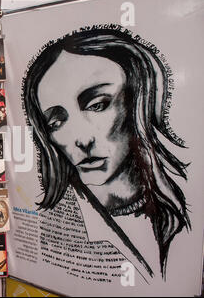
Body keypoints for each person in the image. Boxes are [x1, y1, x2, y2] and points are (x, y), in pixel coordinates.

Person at [22, 28, 190, 280]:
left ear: (138, 99)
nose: (81, 139)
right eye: (55, 123)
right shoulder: (61, 220)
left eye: (97, 105)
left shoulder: (185, 207)